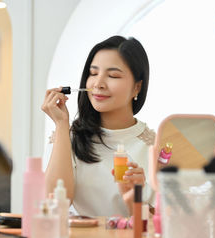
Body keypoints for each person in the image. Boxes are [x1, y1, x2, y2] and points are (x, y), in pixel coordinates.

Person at [41, 36, 155, 217]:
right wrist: (62, 125)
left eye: (113, 76)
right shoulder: (66, 138)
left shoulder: (156, 147)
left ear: (137, 87)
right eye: (93, 74)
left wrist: (141, 193)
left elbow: (164, 219)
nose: (98, 84)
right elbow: (54, 203)